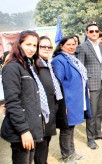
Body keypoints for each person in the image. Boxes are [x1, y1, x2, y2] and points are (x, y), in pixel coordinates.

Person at [1, 30, 44, 164]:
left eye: (34, 45)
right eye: (28, 44)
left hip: (31, 126)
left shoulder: (27, 65)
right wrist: (23, 130)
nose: (31, 49)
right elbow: (13, 102)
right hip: (21, 130)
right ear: (19, 45)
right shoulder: (12, 67)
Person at [51, 36, 91, 162]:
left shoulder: (72, 58)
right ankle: (66, 156)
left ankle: (72, 153)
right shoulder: (59, 60)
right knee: (66, 129)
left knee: (71, 128)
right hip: (67, 101)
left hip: (76, 100)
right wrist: (63, 105)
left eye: (74, 44)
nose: (72, 46)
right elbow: (58, 84)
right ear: (61, 46)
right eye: (68, 44)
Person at [76, 22, 102, 150]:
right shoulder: (82, 47)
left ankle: (98, 133)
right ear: (87, 33)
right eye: (91, 31)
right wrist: (85, 88)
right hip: (91, 85)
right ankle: (90, 139)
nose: (94, 33)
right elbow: (80, 69)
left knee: (99, 112)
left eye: (96, 31)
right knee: (91, 114)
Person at [34, 36, 64, 164]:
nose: (47, 49)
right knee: (41, 142)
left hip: (52, 106)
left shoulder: (48, 64)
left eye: (49, 46)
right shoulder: (34, 66)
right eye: (43, 46)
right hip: (40, 110)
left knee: (47, 139)